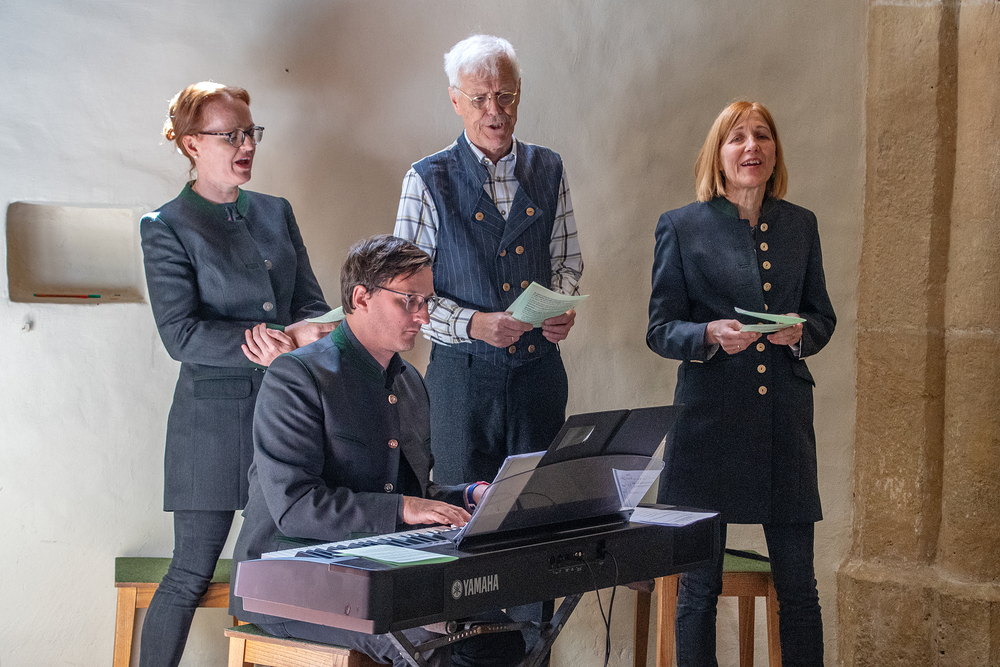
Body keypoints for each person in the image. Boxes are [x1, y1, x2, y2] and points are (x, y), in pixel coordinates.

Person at [230, 235, 526, 667]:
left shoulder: (409, 382)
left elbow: (408, 491)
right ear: (360, 297)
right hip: (284, 580)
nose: (423, 316)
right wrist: (405, 506)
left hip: (375, 570)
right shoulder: (297, 376)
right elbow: (295, 507)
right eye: (409, 300)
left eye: (426, 301)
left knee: (501, 640)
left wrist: (468, 496)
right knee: (437, 648)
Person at [139, 81, 332, 667]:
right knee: (190, 572)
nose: (247, 145)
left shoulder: (276, 211)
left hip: (288, 415)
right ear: (192, 144)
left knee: (273, 575)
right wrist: (278, 339)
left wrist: (313, 329)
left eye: (251, 132)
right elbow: (181, 335)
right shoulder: (166, 224)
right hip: (211, 428)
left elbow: (310, 302)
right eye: (231, 135)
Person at [646, 101, 836, 667]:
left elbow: (822, 317)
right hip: (708, 427)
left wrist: (800, 333)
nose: (752, 147)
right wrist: (708, 333)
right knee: (698, 590)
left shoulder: (801, 224)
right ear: (719, 154)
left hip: (783, 426)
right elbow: (660, 329)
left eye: (762, 136)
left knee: (799, 590)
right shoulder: (681, 225)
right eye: (737, 138)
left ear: (774, 152)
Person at [394, 34, 584, 487]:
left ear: (519, 93)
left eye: (504, 95)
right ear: (455, 101)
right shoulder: (425, 179)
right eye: (479, 98)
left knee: (538, 504)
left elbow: (567, 262)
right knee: (464, 510)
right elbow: (405, 293)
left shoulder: (549, 168)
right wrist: (473, 324)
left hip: (540, 375)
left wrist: (560, 308)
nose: (494, 110)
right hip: (461, 382)